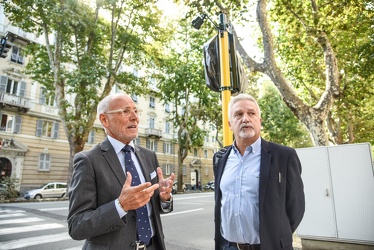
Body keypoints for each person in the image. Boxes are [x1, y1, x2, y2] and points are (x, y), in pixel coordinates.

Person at [68, 93, 175, 250]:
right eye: (125, 111)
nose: (135, 118)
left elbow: (153, 209)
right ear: (104, 119)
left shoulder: (149, 155)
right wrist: (120, 206)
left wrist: (164, 198)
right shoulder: (88, 160)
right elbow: (77, 226)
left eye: (135, 111)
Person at [213, 93, 305, 250]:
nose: (245, 119)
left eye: (251, 113)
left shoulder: (284, 156)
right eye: (238, 114)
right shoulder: (219, 159)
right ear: (230, 124)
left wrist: (277, 237)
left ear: (259, 121)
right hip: (228, 247)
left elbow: (296, 206)